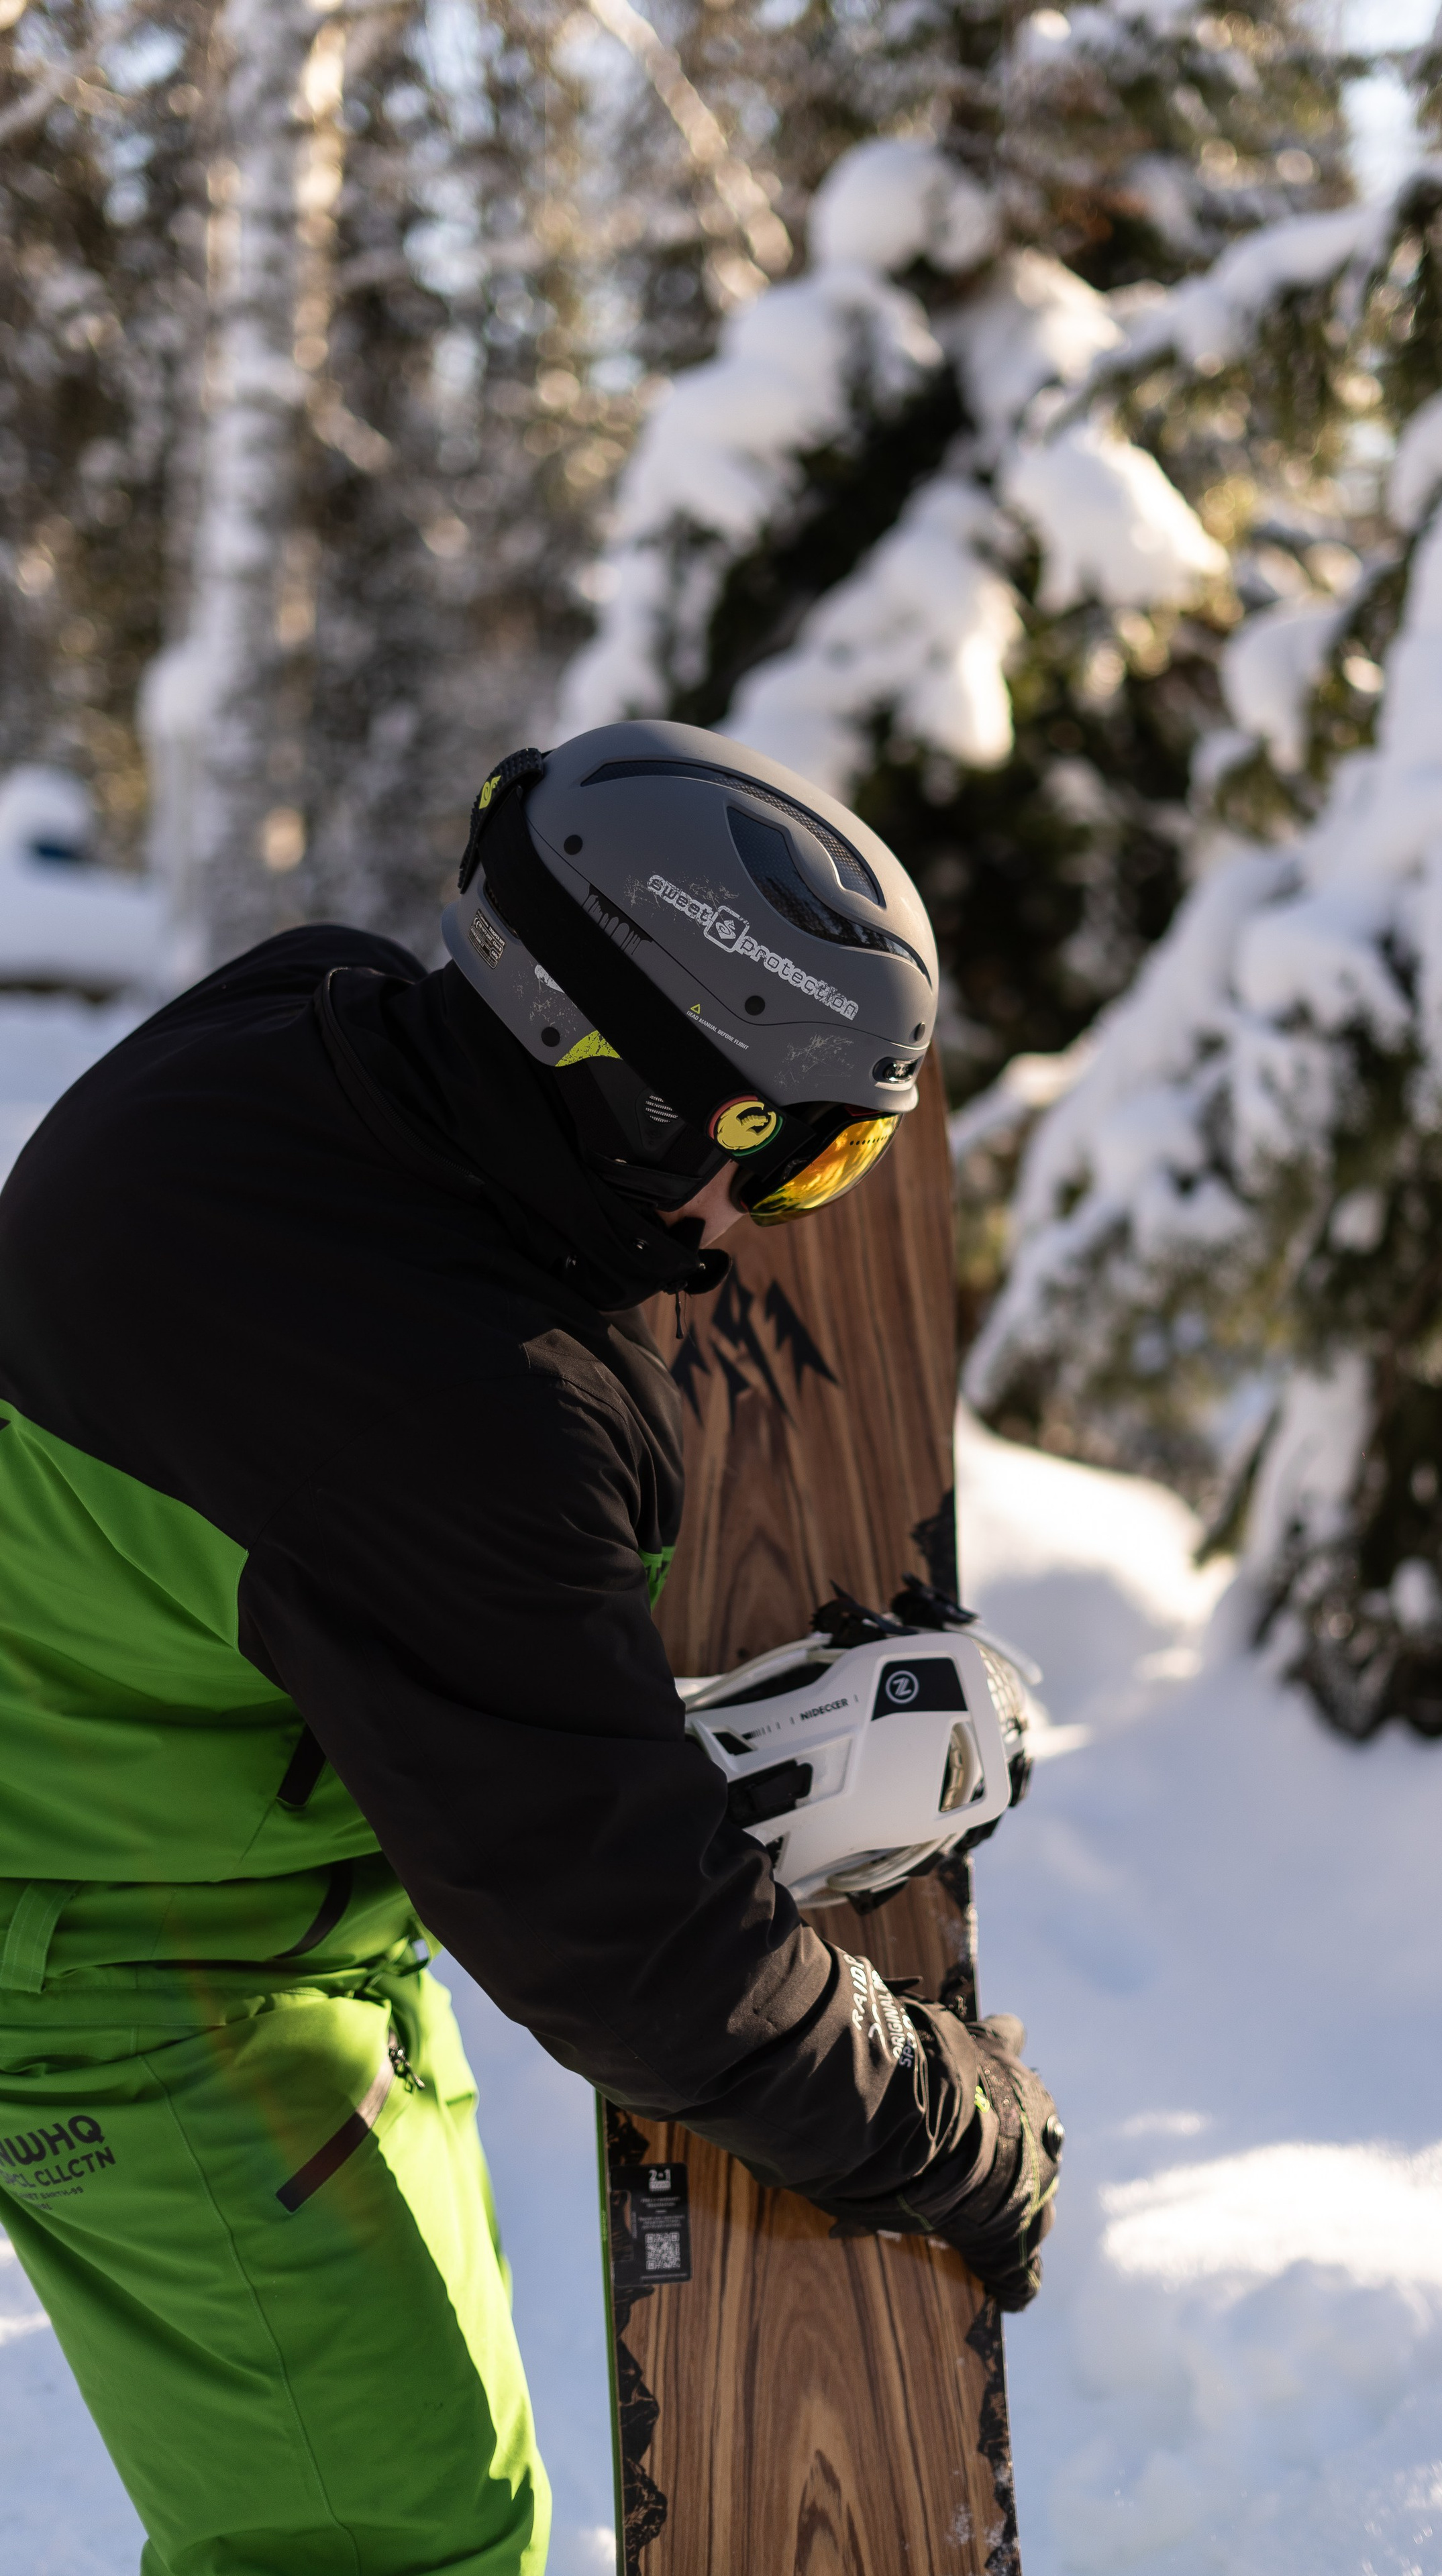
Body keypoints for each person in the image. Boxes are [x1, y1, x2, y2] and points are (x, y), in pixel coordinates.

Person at [0, 720, 1062, 2576]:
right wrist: (941, 2129)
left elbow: (381, 1573)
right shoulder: (444, 1407)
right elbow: (636, 1964)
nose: (755, 1236)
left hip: (235, 1865)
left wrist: (633, 1741)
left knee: (448, 2507)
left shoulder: (313, 1024)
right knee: (381, 2549)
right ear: (635, 1097)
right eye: (791, 1165)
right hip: (124, 1967)